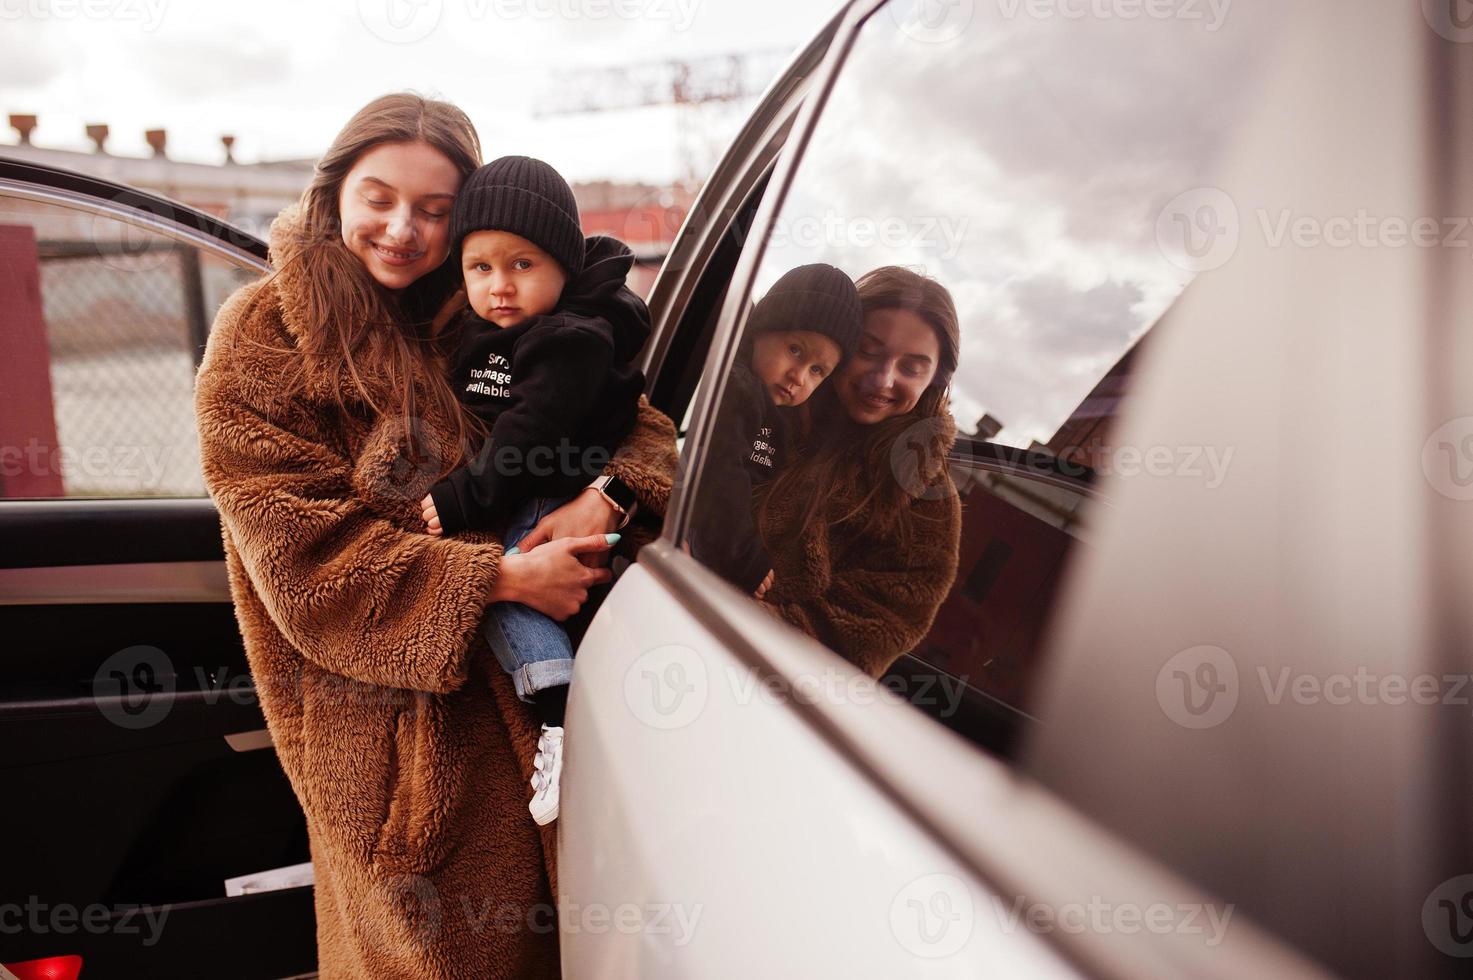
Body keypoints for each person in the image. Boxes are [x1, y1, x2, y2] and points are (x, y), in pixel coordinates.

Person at [193, 93, 677, 979]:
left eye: (433, 210)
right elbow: (304, 562)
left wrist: (607, 494)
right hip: (395, 752)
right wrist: (497, 581)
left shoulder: (499, 295)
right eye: (378, 198)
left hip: (554, 722)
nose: (402, 230)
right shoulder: (265, 338)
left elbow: (640, 423)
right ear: (333, 192)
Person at [418, 155, 651, 827]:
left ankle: (559, 713)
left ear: (563, 267)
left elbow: (527, 432)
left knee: (506, 589)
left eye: (522, 265)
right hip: (534, 488)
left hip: (548, 492)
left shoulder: (567, 340)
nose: (499, 286)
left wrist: (464, 496)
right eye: (481, 268)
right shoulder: (495, 333)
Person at [755, 265, 963, 679]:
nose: (882, 379)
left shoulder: (926, 501)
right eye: (869, 351)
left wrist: (742, 602)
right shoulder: (768, 398)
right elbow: (669, 463)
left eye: (912, 367)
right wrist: (612, 494)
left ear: (934, 381)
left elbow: (854, 644)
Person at [688, 263, 861, 596]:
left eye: (817, 371)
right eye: (795, 350)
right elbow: (719, 474)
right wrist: (744, 555)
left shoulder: (780, 416)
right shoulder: (737, 390)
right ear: (762, 330)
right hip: (704, 535)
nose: (799, 376)